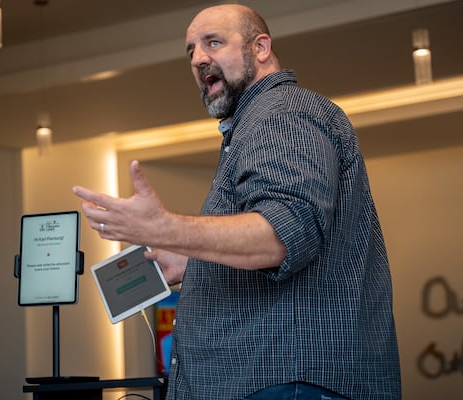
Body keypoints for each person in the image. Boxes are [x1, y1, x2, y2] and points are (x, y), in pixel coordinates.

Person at [73, 4, 401, 399]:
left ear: (261, 47)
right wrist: (193, 261)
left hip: (285, 384)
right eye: (190, 50)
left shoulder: (284, 114)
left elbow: (281, 234)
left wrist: (168, 229)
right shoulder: (257, 125)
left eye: (213, 42)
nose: (198, 59)